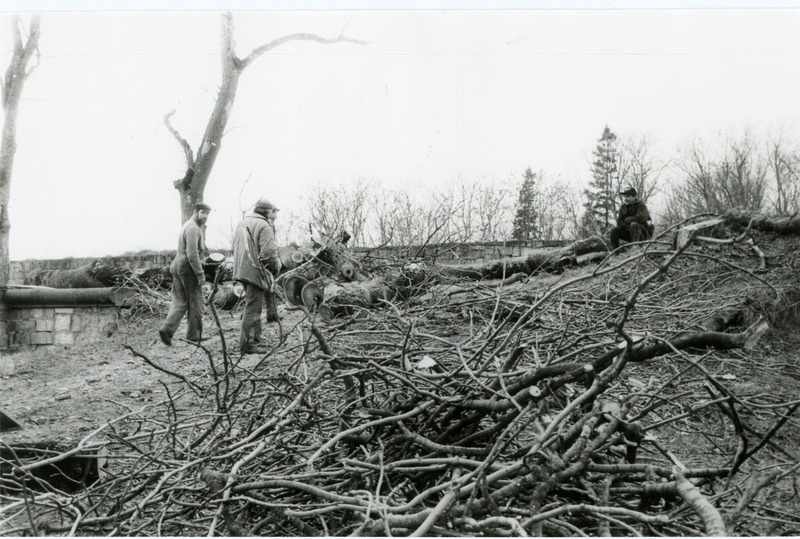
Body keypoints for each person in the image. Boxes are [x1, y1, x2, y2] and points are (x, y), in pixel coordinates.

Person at [232, 198, 283, 354]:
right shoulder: (264, 225)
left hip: (242, 269)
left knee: (253, 305)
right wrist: (277, 265)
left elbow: (234, 246)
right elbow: (268, 253)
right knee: (253, 309)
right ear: (267, 211)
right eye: (274, 210)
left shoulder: (243, 222)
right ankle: (246, 344)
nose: (276, 213)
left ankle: (255, 339)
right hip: (255, 271)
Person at [158, 202, 211, 346]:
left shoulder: (189, 225)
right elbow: (192, 254)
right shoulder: (193, 228)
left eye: (207, 214)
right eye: (203, 213)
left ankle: (166, 329)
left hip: (177, 265)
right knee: (197, 301)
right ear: (196, 212)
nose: (205, 216)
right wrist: (200, 275)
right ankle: (194, 336)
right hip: (187, 268)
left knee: (180, 302)